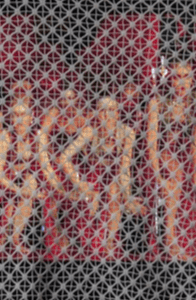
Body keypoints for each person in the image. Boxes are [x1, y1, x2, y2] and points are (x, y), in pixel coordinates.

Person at [146, 61, 196, 261]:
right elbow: (151, 144)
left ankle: (191, 241)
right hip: (164, 157)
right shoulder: (157, 103)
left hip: (190, 157)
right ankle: (170, 237)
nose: (181, 83)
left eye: (186, 77)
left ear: (192, 79)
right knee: (173, 175)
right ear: (170, 79)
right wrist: (157, 175)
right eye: (177, 77)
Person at [58, 97, 145, 258]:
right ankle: (89, 244)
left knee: (114, 189)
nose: (106, 115)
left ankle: (110, 242)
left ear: (117, 114)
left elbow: (124, 169)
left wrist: (127, 197)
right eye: (102, 111)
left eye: (111, 110)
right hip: (93, 179)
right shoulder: (90, 131)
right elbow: (64, 158)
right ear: (97, 113)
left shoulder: (127, 133)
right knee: (94, 200)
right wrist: (79, 183)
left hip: (115, 179)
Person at [0, 81, 47, 255]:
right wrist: (19, 190)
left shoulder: (38, 136)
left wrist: (58, 186)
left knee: (31, 182)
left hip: (27, 183)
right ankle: (4, 237)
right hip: (4, 184)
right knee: (22, 191)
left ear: (31, 118)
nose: (20, 120)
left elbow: (46, 167)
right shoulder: (5, 136)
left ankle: (15, 238)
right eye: (16, 115)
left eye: (23, 115)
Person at [38, 87, 93, 256]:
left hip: (73, 166)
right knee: (52, 200)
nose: (66, 102)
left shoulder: (82, 118)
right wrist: (48, 161)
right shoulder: (54, 114)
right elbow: (42, 138)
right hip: (54, 166)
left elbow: (86, 142)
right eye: (64, 98)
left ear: (76, 99)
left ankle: (77, 240)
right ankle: (54, 241)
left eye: (70, 98)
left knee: (77, 202)